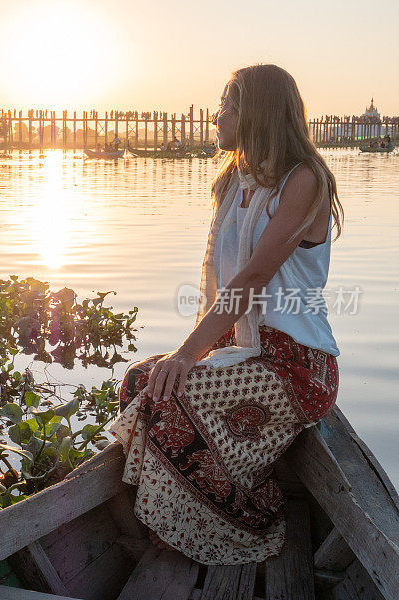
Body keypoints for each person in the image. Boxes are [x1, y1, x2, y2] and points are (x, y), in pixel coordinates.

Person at [107, 64, 343, 565]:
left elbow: (253, 279)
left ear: (255, 113)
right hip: (246, 350)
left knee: (169, 392)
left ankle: (250, 520)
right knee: (139, 382)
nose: (217, 116)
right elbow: (222, 282)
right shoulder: (236, 180)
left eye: (227, 106)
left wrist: (186, 355)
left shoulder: (303, 180)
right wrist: (189, 355)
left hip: (296, 364)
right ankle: (175, 520)